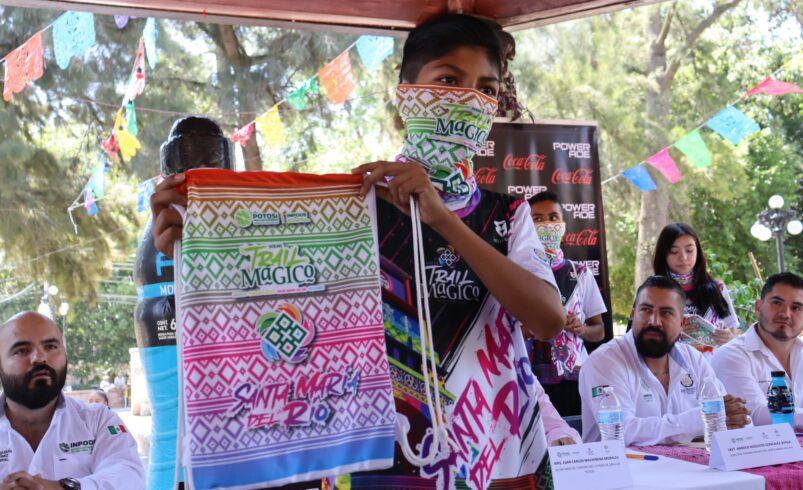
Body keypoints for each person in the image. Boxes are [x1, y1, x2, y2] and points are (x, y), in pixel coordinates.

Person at [151, 13, 566, 489]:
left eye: (486, 89)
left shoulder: (507, 214)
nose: (468, 100)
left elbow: (548, 319)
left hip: (499, 455)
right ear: (407, 94)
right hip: (381, 459)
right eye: (449, 80)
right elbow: (273, 295)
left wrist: (442, 218)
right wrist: (197, 244)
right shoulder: (351, 206)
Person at [579, 276, 750, 445]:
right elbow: (622, 431)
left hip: (690, 461)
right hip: (622, 463)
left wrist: (734, 416)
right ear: (633, 314)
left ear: (682, 323)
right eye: (646, 310)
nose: (654, 321)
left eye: (666, 313)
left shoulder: (694, 359)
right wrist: (702, 419)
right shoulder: (604, 361)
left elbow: (723, 415)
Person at [0, 312, 144, 490]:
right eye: (22, 350)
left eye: (51, 346)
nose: (40, 357)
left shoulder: (98, 420)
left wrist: (61, 488)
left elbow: (130, 477)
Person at [527, 191, 607, 415]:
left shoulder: (580, 273)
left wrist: (581, 329)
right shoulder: (516, 272)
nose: (547, 225)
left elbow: (599, 331)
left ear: (563, 225)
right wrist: (537, 326)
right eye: (538, 218)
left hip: (575, 380)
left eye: (553, 218)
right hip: (529, 380)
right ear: (526, 225)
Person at [711, 272, 803, 428]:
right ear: (758, 307)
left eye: (796, 307)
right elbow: (755, 415)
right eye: (777, 303)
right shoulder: (731, 356)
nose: (785, 314)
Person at [650, 222, 741, 350]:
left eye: (689, 250)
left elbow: (733, 330)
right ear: (663, 254)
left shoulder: (717, 288)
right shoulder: (651, 291)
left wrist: (728, 337)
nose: (683, 257)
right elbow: (638, 336)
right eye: (674, 251)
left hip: (713, 361)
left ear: (698, 251)